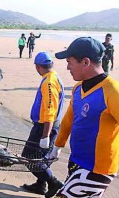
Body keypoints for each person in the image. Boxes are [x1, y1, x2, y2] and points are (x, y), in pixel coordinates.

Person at [50, 37, 119, 197]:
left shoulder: (112, 91)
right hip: (77, 161)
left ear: (86, 62)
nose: (67, 67)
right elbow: (68, 120)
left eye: (70, 62)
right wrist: (57, 146)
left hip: (98, 168)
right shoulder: (78, 88)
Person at [21, 52, 64, 197]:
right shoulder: (52, 77)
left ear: (38, 67)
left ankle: (54, 183)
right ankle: (41, 184)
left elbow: (50, 110)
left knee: (29, 156)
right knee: (40, 158)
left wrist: (45, 135)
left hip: (44, 127)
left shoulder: (49, 82)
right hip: (46, 125)